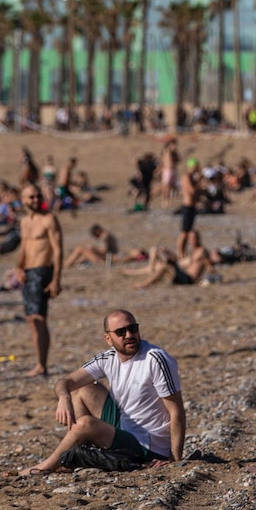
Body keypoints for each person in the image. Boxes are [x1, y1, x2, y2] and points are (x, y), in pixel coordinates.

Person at [20, 310, 185, 475]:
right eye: (121, 332)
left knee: (85, 424)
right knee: (82, 389)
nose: (129, 335)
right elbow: (66, 382)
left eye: (133, 328)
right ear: (108, 339)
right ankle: (77, 455)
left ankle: (45, 467)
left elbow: (176, 410)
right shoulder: (109, 358)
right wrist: (64, 397)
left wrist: (173, 458)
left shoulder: (155, 359)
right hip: (124, 425)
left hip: (148, 446)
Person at [16, 184, 63, 377]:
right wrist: (18, 267)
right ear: (23, 200)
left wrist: (56, 279)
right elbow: (24, 246)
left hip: (43, 271)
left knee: (39, 319)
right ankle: (39, 363)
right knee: (31, 320)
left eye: (37, 197)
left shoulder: (49, 219)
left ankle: (42, 364)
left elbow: (58, 250)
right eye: (31, 197)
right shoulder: (25, 221)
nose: (35, 200)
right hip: (28, 272)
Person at [177, 158, 202, 258]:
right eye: (196, 167)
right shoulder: (186, 177)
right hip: (187, 206)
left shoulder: (191, 178)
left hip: (192, 206)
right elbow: (192, 191)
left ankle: (184, 251)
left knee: (188, 231)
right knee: (184, 232)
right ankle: (180, 253)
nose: (197, 169)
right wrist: (200, 183)